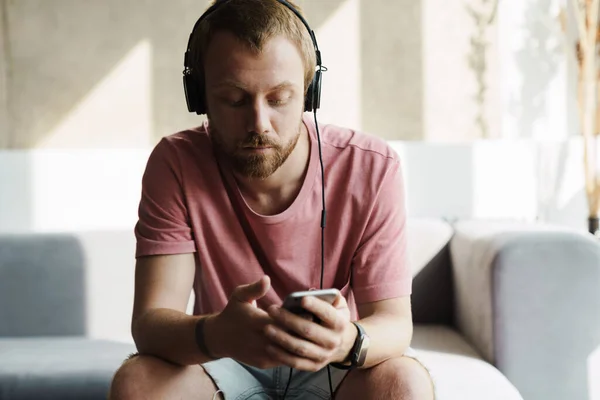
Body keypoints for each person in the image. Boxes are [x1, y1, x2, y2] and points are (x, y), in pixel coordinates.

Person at [108, 0, 435, 399]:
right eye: (233, 99)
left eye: (279, 98)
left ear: (310, 91)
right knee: (137, 384)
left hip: (332, 363)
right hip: (222, 359)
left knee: (404, 383)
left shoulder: (371, 167)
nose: (258, 124)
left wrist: (346, 341)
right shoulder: (175, 163)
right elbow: (151, 323)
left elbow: (394, 323)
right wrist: (217, 335)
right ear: (200, 96)